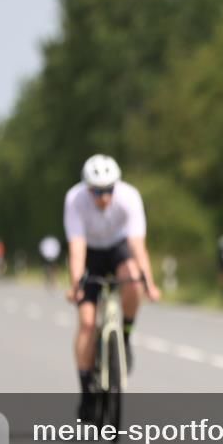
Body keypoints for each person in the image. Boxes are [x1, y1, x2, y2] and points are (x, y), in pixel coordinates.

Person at [63, 154, 161, 419]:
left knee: (132, 278)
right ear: (87, 188)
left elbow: (137, 245)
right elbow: (76, 247)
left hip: (118, 248)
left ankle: (125, 336)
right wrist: (76, 285)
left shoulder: (129, 197)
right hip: (90, 252)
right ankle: (86, 392)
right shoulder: (75, 199)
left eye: (108, 190)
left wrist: (149, 283)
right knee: (86, 323)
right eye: (97, 191)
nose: (103, 197)